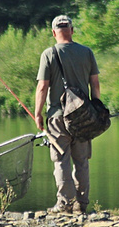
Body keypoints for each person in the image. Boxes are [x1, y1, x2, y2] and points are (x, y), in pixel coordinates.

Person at [34, 15, 100, 214]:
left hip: (57, 116)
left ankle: (65, 204)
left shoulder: (48, 54)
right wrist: (96, 109)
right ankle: (82, 204)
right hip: (83, 117)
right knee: (82, 161)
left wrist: (38, 114)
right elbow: (95, 85)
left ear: (54, 33)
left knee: (61, 160)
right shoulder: (87, 52)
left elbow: (42, 87)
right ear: (72, 30)